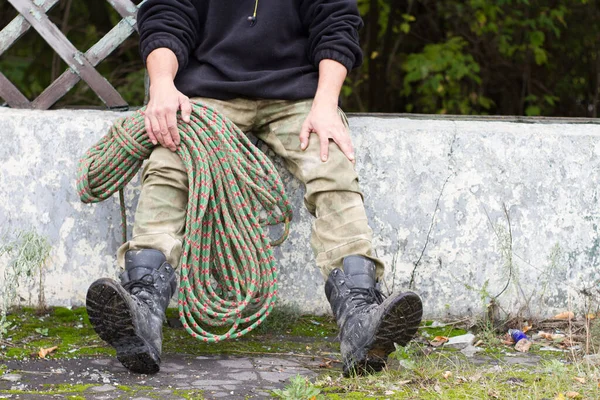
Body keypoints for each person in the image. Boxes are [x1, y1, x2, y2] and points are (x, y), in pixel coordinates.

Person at [85, 0, 423, 377]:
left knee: (332, 169)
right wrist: (162, 86)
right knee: (169, 164)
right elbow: (167, 14)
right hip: (207, 96)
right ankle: (143, 307)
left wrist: (326, 103)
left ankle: (360, 314)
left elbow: (336, 21)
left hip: (297, 96)